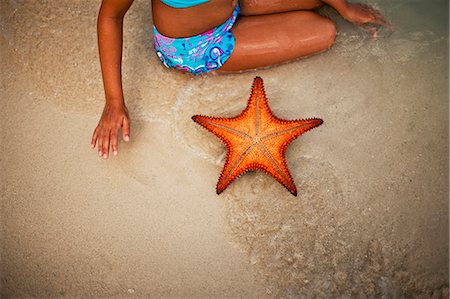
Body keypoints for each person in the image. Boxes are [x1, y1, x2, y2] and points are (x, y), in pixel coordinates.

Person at [91, 0, 387, 159]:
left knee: (324, 2)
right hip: (195, 45)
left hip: (234, 5)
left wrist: (345, 7)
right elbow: (110, 17)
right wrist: (114, 101)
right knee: (323, 31)